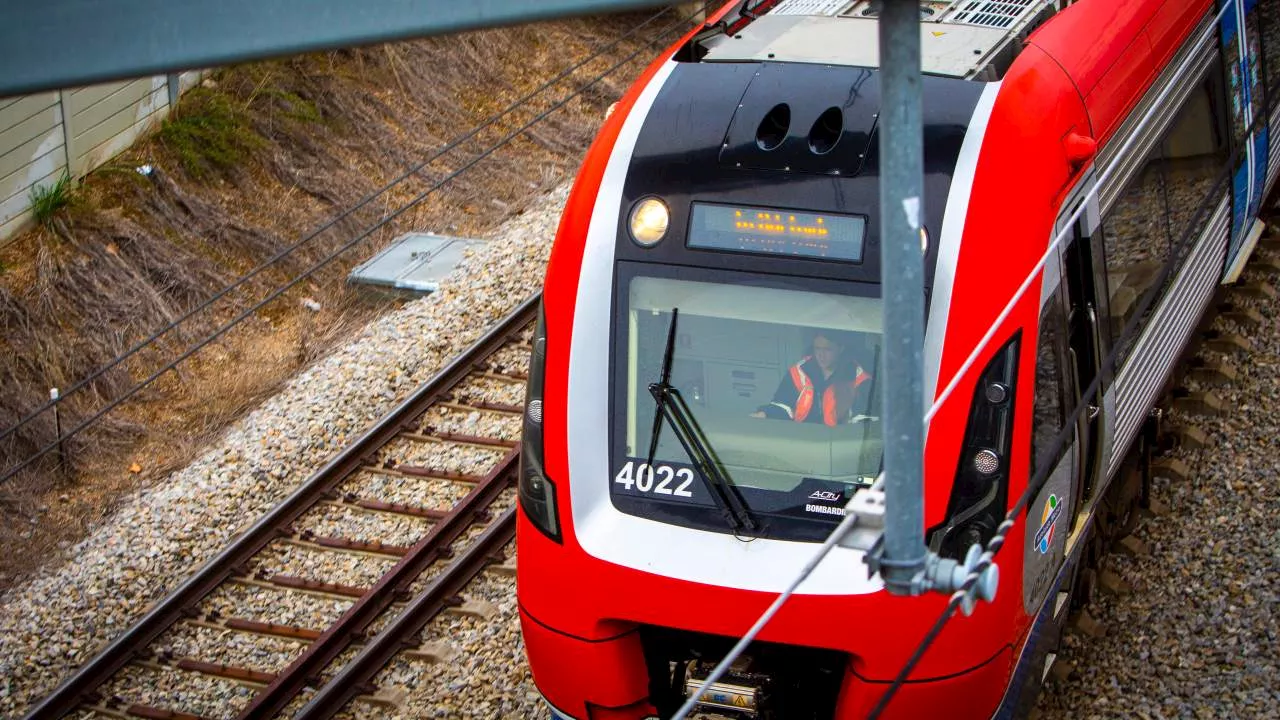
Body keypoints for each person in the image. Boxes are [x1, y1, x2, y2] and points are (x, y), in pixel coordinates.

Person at [751, 332, 873, 426]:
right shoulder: (800, 371)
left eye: (827, 349)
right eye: (817, 349)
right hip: (803, 436)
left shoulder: (858, 378)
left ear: (840, 349)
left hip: (837, 441)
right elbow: (783, 405)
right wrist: (765, 414)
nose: (821, 355)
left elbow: (864, 421)